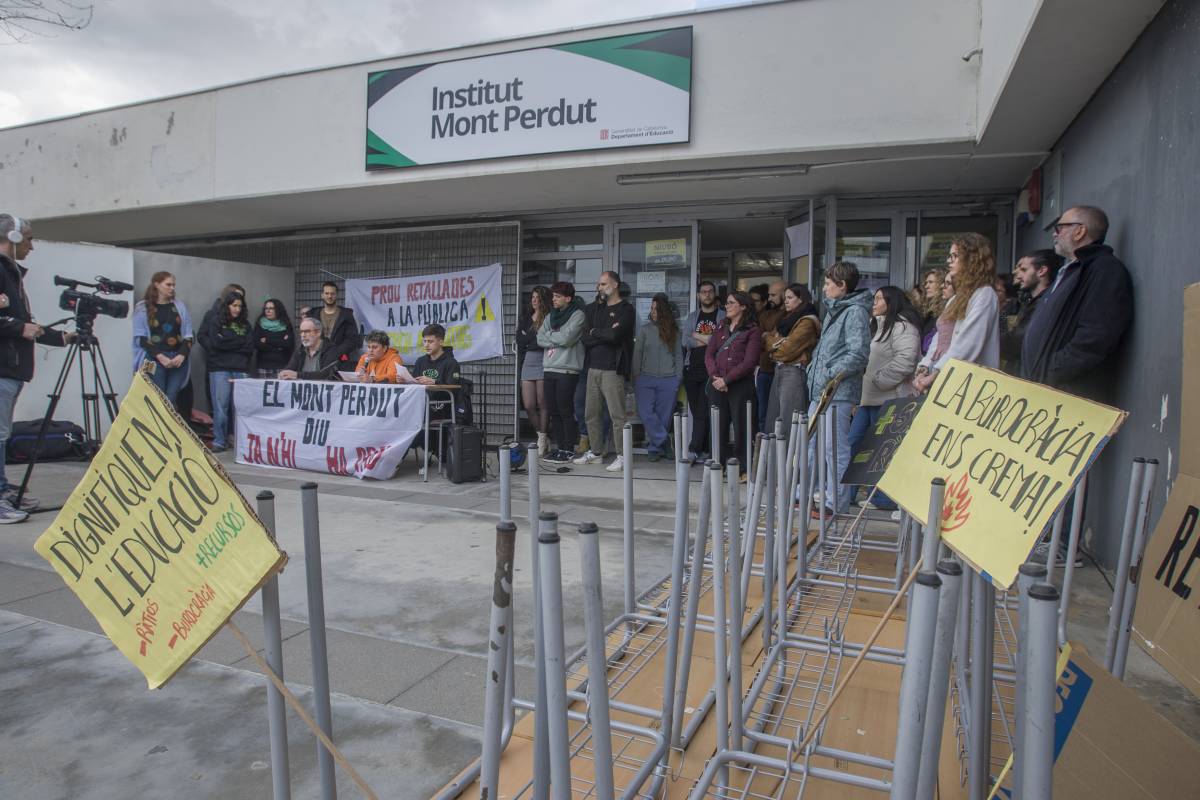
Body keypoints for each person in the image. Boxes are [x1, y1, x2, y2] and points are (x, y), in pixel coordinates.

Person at [0, 214, 75, 520]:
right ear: (13, 237)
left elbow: (22, 323)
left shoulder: (12, 274)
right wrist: (19, 328)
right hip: (4, 368)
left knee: (2, 434)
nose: (32, 245)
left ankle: (3, 488)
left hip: (13, 369)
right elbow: (16, 325)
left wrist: (60, 337)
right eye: (29, 238)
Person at [1022, 205, 1133, 401]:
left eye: (1060, 228)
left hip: (1069, 398)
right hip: (1046, 392)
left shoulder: (1104, 270)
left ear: (1080, 231)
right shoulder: (1071, 271)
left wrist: (1050, 372)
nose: (1055, 235)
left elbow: (1095, 337)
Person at [805, 261, 872, 516]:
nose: (824, 289)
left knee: (834, 448)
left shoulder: (854, 312)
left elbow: (858, 353)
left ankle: (835, 501)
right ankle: (806, 493)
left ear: (842, 286)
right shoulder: (837, 310)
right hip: (822, 390)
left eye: (828, 284)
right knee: (811, 445)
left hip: (838, 391)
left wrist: (831, 373)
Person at [848, 286, 922, 514]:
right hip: (869, 399)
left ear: (891, 302)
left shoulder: (902, 327)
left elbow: (906, 360)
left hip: (890, 399)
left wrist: (880, 380)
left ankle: (883, 499)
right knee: (854, 443)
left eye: (879, 298)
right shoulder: (876, 327)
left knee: (883, 449)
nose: (874, 302)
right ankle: (846, 492)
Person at [912, 232, 1000, 394]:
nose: (948, 261)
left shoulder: (984, 294)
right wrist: (926, 366)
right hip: (951, 380)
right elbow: (941, 339)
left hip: (971, 386)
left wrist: (934, 375)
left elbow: (967, 344)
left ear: (972, 258)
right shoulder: (958, 297)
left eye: (954, 256)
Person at [575, 271, 635, 472]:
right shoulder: (593, 309)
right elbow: (584, 337)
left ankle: (622, 455)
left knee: (617, 415)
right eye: (598, 284)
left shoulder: (626, 309)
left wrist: (597, 333)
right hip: (592, 367)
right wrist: (601, 334)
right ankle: (596, 452)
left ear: (615, 284)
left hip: (613, 369)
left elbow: (616, 336)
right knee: (591, 413)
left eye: (603, 284)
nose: (599, 287)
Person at [705, 291, 762, 479]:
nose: (726, 306)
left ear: (743, 306)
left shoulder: (752, 330)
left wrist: (727, 380)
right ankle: (718, 463)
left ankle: (743, 468)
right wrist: (715, 377)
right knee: (718, 425)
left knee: (742, 427)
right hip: (717, 384)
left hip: (740, 385)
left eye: (731, 303)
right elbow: (709, 354)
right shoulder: (721, 326)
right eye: (726, 303)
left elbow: (749, 362)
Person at [537, 282, 586, 464]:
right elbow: (539, 337)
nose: (554, 300)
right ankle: (559, 448)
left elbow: (567, 338)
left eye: (557, 296)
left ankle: (569, 449)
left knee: (565, 410)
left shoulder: (578, 315)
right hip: (549, 367)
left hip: (567, 369)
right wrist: (556, 337)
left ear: (568, 298)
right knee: (553, 411)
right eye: (553, 296)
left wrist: (552, 336)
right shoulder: (551, 316)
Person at [198, 291, 254, 452]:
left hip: (241, 368)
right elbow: (216, 343)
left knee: (241, 408)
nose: (237, 309)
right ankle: (219, 440)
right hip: (220, 368)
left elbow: (249, 346)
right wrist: (237, 344)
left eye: (239, 306)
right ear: (227, 305)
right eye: (234, 305)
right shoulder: (216, 321)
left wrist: (227, 342)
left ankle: (240, 441)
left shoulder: (246, 324)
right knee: (220, 407)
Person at [763, 283, 821, 435]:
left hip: (794, 371)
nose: (786, 301)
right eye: (785, 298)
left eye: (790, 298)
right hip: (780, 370)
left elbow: (786, 352)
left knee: (789, 421)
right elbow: (768, 339)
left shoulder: (807, 321)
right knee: (775, 420)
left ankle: (791, 459)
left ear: (801, 299)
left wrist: (773, 348)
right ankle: (777, 459)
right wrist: (774, 343)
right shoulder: (787, 319)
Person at [632, 293, 683, 462]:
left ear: (664, 311)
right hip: (645, 377)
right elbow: (637, 353)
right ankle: (664, 439)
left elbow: (678, 355)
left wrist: (678, 378)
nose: (653, 312)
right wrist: (636, 375)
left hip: (669, 379)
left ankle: (654, 448)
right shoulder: (645, 329)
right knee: (645, 412)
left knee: (664, 415)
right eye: (652, 309)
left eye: (656, 309)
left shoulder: (674, 331)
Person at [132, 271, 193, 405]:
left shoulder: (179, 306)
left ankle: (168, 425)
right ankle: (156, 426)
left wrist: (182, 355)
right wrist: (160, 357)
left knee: (171, 398)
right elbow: (140, 338)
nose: (172, 288)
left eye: (173, 285)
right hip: (155, 358)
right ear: (157, 284)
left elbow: (189, 335)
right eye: (168, 285)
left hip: (177, 358)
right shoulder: (143, 308)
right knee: (157, 396)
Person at [999, 249, 1061, 375]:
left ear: (1042, 271)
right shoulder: (1029, 302)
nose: (1015, 272)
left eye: (1023, 269)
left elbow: (1015, 343)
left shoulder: (1045, 304)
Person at [682, 281, 724, 464]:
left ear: (714, 294)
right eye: (703, 292)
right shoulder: (692, 316)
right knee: (697, 410)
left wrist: (697, 336)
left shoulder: (722, 316)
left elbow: (722, 341)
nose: (707, 294)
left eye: (710, 291)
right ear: (698, 295)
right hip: (692, 368)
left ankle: (693, 449)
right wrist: (709, 339)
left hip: (711, 370)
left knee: (702, 411)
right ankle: (705, 448)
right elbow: (685, 340)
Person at [516, 286, 551, 453]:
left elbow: (542, 340)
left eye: (538, 297)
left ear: (544, 299)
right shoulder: (525, 318)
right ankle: (541, 434)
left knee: (542, 402)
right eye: (533, 297)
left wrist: (530, 338)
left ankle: (542, 438)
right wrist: (532, 339)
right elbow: (520, 340)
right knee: (529, 404)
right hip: (528, 360)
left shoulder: (549, 318)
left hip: (544, 359)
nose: (534, 300)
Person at [755, 280, 787, 434]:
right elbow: (757, 340)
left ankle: (779, 451)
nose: (770, 299)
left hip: (783, 369)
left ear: (784, 293)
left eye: (773, 295)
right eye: (769, 295)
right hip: (764, 369)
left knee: (781, 414)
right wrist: (769, 337)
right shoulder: (765, 315)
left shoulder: (790, 314)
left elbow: (783, 341)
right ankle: (763, 452)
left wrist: (768, 336)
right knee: (763, 413)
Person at [280, 316, 341, 380]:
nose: (303, 335)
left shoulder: (331, 350)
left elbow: (325, 375)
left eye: (307, 331)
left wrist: (298, 375)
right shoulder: (300, 351)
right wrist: (284, 373)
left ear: (318, 333)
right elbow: (290, 369)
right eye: (301, 332)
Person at [317, 281, 362, 366]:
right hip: (317, 358)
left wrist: (336, 352)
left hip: (339, 360)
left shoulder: (346, 315)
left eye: (332, 293)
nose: (330, 296)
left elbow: (352, 339)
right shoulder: (314, 314)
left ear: (337, 295)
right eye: (327, 293)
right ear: (322, 295)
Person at [253, 298, 294, 379]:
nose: (268, 311)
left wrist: (267, 340)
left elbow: (288, 344)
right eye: (266, 308)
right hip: (264, 366)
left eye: (271, 308)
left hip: (282, 366)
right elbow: (257, 344)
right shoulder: (259, 323)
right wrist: (279, 345)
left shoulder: (286, 324)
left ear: (278, 310)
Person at [918, 267, 948, 354]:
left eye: (931, 282)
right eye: (926, 283)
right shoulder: (928, 311)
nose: (926, 286)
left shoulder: (945, 310)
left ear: (941, 284)